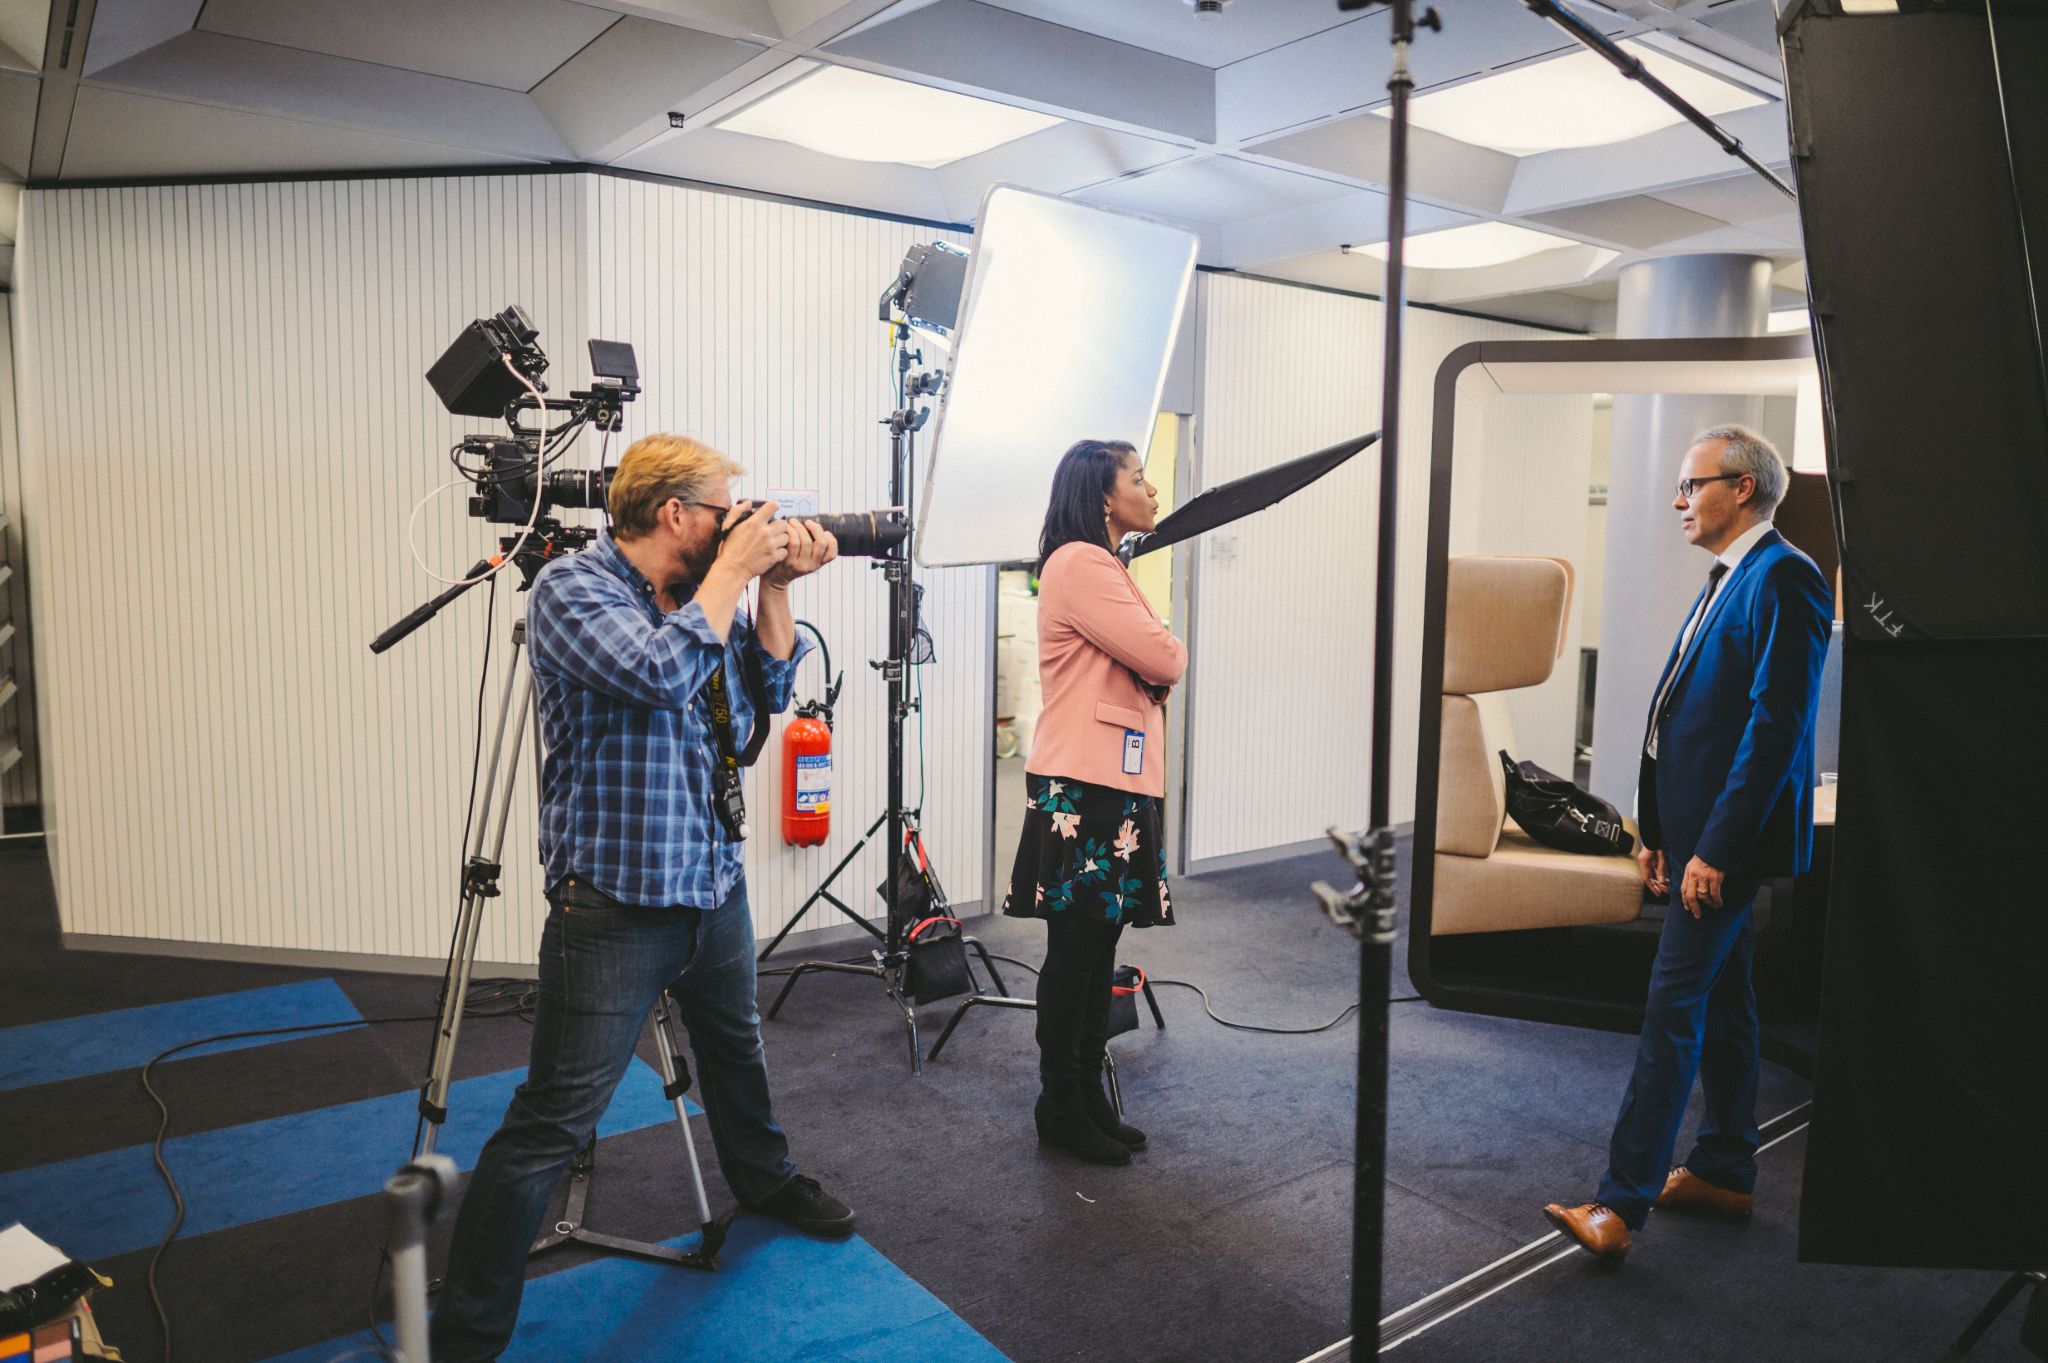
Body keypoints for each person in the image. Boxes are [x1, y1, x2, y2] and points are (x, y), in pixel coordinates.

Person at [430, 433, 855, 1360]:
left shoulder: (703, 599)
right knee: (553, 1119)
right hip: (615, 906)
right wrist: (734, 575)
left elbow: (767, 695)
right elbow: (661, 673)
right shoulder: (573, 592)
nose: (737, 523)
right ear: (674, 515)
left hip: (712, 886)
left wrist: (773, 587)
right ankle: (464, 1335)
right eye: (721, 511)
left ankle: (766, 1179)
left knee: (736, 1053)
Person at [1545, 425, 1831, 1259]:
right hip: (1698, 837)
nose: (1678, 501)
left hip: (1726, 848)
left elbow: (1774, 730)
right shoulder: (1731, 577)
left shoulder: (1787, 578)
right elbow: (1683, 716)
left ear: (1741, 487)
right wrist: (1661, 832)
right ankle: (1726, 1168)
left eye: (1690, 484)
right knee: (1726, 1002)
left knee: (1671, 1009)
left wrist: (1715, 847)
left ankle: (1618, 1205)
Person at [1002, 439, 1187, 1166]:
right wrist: (1158, 655)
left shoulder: (1102, 564)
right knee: (1076, 950)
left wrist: (1151, 657)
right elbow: (1165, 657)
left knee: (1098, 944)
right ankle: (1060, 1100)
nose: (1152, 490)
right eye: (1138, 479)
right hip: (1086, 782)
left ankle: (1085, 1095)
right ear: (1106, 498)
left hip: (1110, 776)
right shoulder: (1081, 561)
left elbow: (1146, 659)